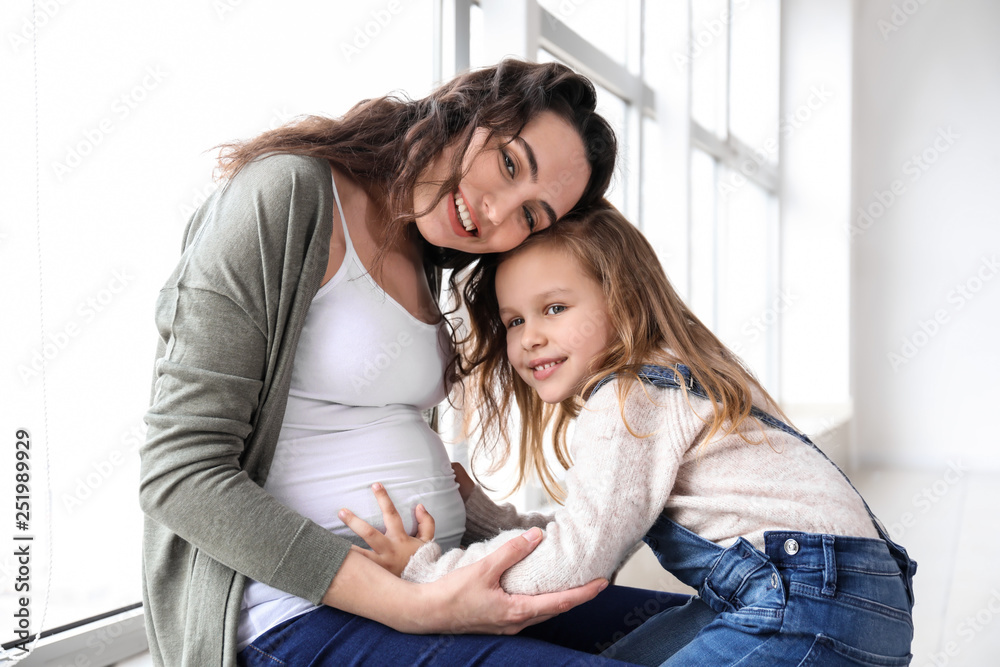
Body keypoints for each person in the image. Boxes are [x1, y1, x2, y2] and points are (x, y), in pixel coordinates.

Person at [138, 60, 677, 667]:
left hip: (433, 581)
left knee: (727, 635)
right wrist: (414, 608)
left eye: (530, 215)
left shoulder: (421, 246)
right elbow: (178, 474)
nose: (496, 214)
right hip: (292, 615)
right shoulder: (288, 192)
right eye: (507, 164)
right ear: (469, 109)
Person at [345, 203, 918, 665]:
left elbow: (580, 558)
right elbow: (590, 532)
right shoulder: (675, 375)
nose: (529, 338)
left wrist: (427, 573)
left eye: (555, 308)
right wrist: (481, 512)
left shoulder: (630, 395)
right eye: (515, 319)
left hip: (806, 603)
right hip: (835, 590)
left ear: (623, 301)